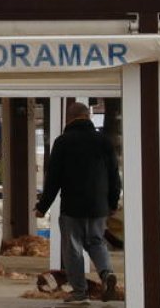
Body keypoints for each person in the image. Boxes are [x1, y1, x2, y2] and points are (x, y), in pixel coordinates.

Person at [34, 102, 121, 305]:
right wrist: (113, 202)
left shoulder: (63, 142)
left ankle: (80, 293)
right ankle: (106, 273)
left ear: (69, 118)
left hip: (72, 206)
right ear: (88, 116)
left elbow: (53, 178)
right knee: (97, 242)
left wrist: (42, 206)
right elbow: (114, 176)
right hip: (99, 205)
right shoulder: (104, 141)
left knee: (72, 249)